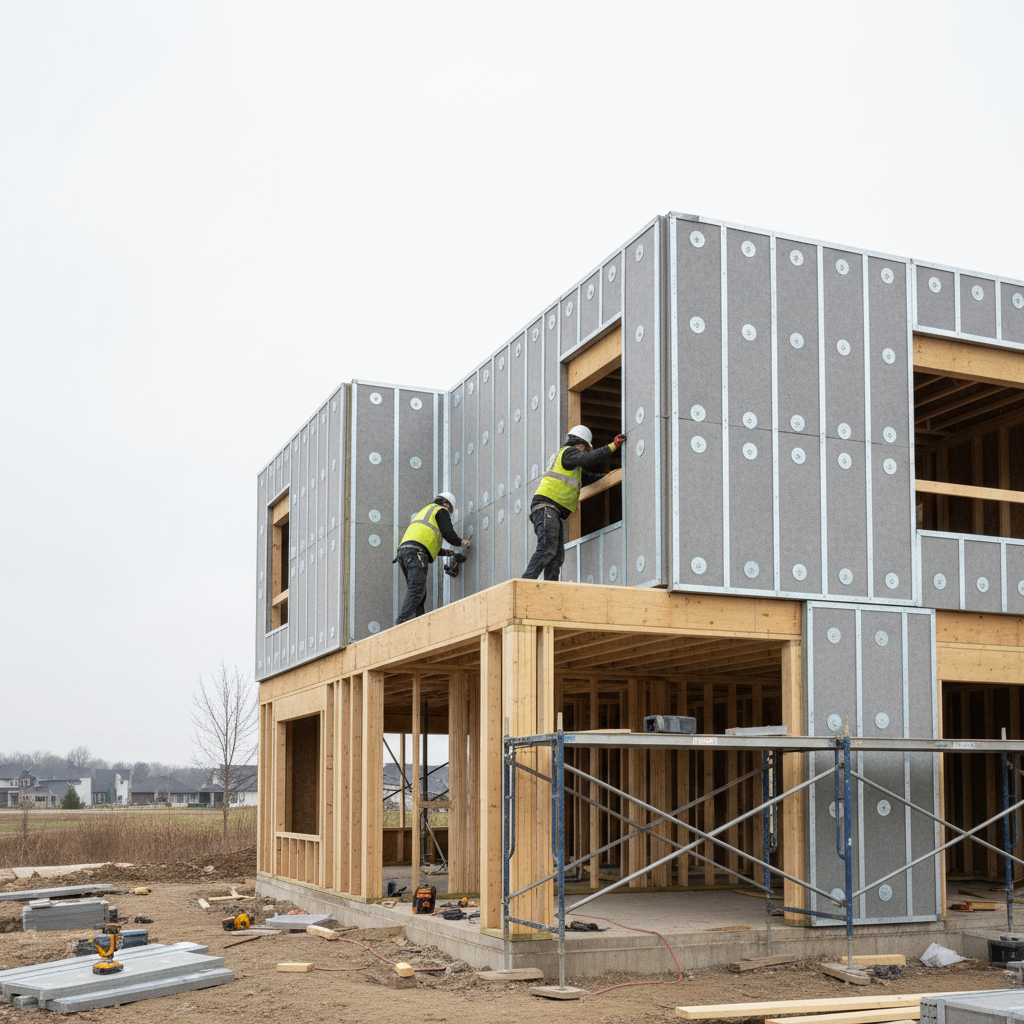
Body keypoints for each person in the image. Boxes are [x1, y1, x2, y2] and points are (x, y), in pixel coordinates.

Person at [522, 424, 626, 581]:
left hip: (551, 511)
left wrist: (611, 476)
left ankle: (551, 592)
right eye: (585, 448)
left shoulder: (572, 465)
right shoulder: (568, 453)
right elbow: (588, 459)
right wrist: (613, 446)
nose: (585, 452)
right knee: (547, 549)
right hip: (546, 507)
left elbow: (589, 478)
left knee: (555, 557)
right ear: (581, 444)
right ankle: (525, 583)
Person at [395, 492, 470, 624]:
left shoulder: (425, 512)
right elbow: (449, 534)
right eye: (450, 510)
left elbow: (425, 540)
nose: (449, 513)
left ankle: (419, 621)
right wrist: (462, 542)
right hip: (416, 552)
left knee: (419, 591)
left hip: (405, 552)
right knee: (417, 590)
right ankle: (402, 621)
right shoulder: (440, 510)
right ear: (446, 504)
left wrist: (446, 552)